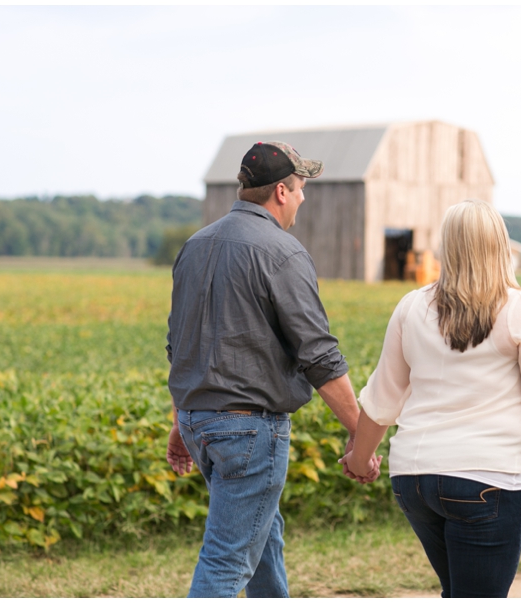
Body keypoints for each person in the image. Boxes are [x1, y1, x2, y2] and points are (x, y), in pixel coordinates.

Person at [164, 140, 379, 598]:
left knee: (263, 539)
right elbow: (319, 355)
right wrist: (363, 433)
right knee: (226, 561)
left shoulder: (195, 246)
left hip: (199, 421)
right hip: (248, 431)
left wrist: (182, 422)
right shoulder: (282, 253)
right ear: (281, 191)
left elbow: (180, 344)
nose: (303, 198)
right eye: (301, 188)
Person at [341, 199, 521, 598]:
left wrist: (359, 459)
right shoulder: (520, 308)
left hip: (413, 481)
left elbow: (382, 399)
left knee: (457, 590)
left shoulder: (411, 306)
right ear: (500, 245)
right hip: (486, 480)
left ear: (446, 247)